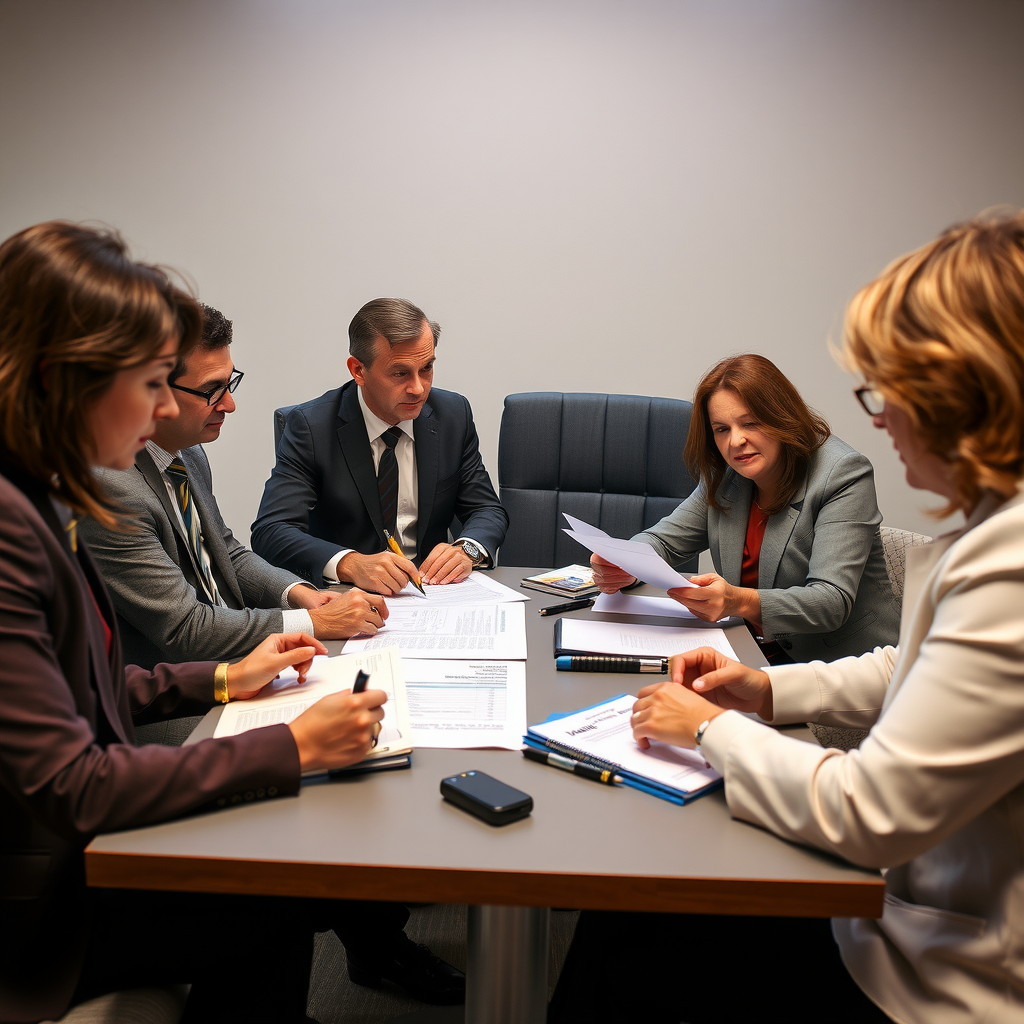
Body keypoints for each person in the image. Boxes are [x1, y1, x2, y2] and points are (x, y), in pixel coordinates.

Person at [550, 211, 1024, 1023]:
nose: (880, 415)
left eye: (893, 390)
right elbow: (904, 664)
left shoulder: (1005, 565)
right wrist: (764, 692)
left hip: (930, 975)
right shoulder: (986, 534)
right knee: (624, 919)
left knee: (631, 934)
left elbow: (868, 812)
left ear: (967, 392)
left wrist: (708, 728)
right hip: (901, 906)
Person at [0, 222, 463, 1024]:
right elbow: (69, 783)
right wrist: (292, 745)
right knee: (275, 890)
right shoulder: (17, 523)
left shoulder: (38, 496)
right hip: (40, 901)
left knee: (278, 886)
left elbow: (88, 684)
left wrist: (223, 675)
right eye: (149, 382)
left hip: (75, 850)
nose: (160, 408)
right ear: (65, 380)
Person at [78, 303, 387, 669]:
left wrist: (300, 595)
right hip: (171, 693)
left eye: (229, 383)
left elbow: (226, 554)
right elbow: (186, 630)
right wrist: (315, 623)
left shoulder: (187, 452)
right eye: (211, 390)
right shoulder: (108, 489)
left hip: (237, 656)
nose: (230, 404)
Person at [591, 353, 899, 662]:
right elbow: (662, 541)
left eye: (750, 423)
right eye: (721, 429)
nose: (736, 441)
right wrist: (625, 563)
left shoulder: (843, 473)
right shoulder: (727, 476)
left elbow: (830, 602)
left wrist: (735, 600)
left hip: (845, 669)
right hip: (753, 653)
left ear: (782, 416)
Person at [250, 297, 508, 595]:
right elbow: (271, 530)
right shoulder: (311, 427)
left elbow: (487, 508)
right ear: (358, 370)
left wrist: (468, 550)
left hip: (435, 594)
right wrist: (350, 563)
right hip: (348, 596)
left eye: (426, 368)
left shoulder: (453, 414)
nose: (418, 388)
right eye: (400, 373)